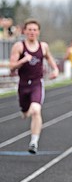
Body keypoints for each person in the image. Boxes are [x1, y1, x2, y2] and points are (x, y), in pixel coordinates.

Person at [9, 19, 59, 154]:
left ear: (38, 32)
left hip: (37, 83)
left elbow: (49, 58)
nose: (32, 32)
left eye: (34, 30)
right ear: (24, 31)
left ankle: (34, 142)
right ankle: (24, 111)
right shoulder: (19, 46)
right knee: (26, 113)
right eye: (29, 29)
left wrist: (55, 69)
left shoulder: (43, 46)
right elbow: (12, 66)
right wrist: (24, 60)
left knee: (36, 110)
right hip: (23, 84)